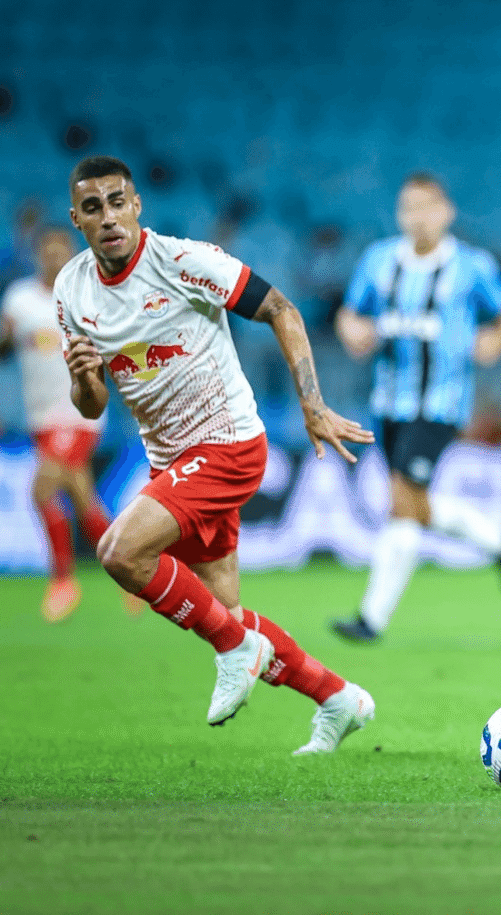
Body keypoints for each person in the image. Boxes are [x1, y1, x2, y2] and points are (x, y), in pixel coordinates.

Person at [55, 155, 377, 754]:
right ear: (76, 218)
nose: (108, 217)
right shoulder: (71, 290)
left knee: (120, 554)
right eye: (93, 208)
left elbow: (280, 307)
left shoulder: (181, 261)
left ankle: (235, 652)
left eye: (118, 202)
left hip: (227, 444)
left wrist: (311, 404)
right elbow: (93, 405)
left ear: (136, 206)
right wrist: (83, 380)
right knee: (224, 611)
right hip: (171, 462)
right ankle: (337, 699)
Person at [331, 173, 501, 642]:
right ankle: (499, 542)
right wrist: (351, 331)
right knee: (411, 504)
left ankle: (371, 619)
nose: (418, 218)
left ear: (446, 212)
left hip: (441, 403)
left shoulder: (470, 265)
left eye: (426, 207)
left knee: (403, 500)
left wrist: (493, 344)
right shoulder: (380, 260)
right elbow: (350, 312)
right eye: (408, 208)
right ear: (399, 215)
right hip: (388, 402)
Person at [0, 228, 122, 622]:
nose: (53, 257)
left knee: (42, 490)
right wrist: (5, 336)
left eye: (59, 250)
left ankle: (63, 581)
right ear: (37, 254)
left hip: (78, 413)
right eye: (46, 250)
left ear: (69, 254)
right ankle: (137, 574)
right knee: (84, 500)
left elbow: (113, 352)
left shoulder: (84, 296)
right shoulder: (19, 298)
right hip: (39, 415)